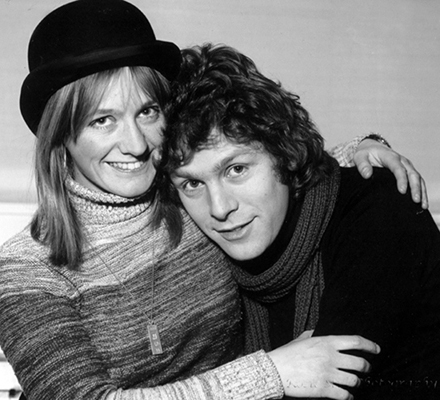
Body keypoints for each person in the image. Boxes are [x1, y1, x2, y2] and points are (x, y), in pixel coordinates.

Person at [0, 1, 428, 399]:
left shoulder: (182, 195)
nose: (135, 144)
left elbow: (258, 160)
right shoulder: (25, 269)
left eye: (147, 112)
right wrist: (270, 374)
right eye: (102, 120)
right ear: (60, 134)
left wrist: (362, 151)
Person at [164, 43, 440, 400]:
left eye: (237, 169)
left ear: (284, 153)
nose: (219, 208)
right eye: (192, 184)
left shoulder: (378, 214)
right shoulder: (207, 253)